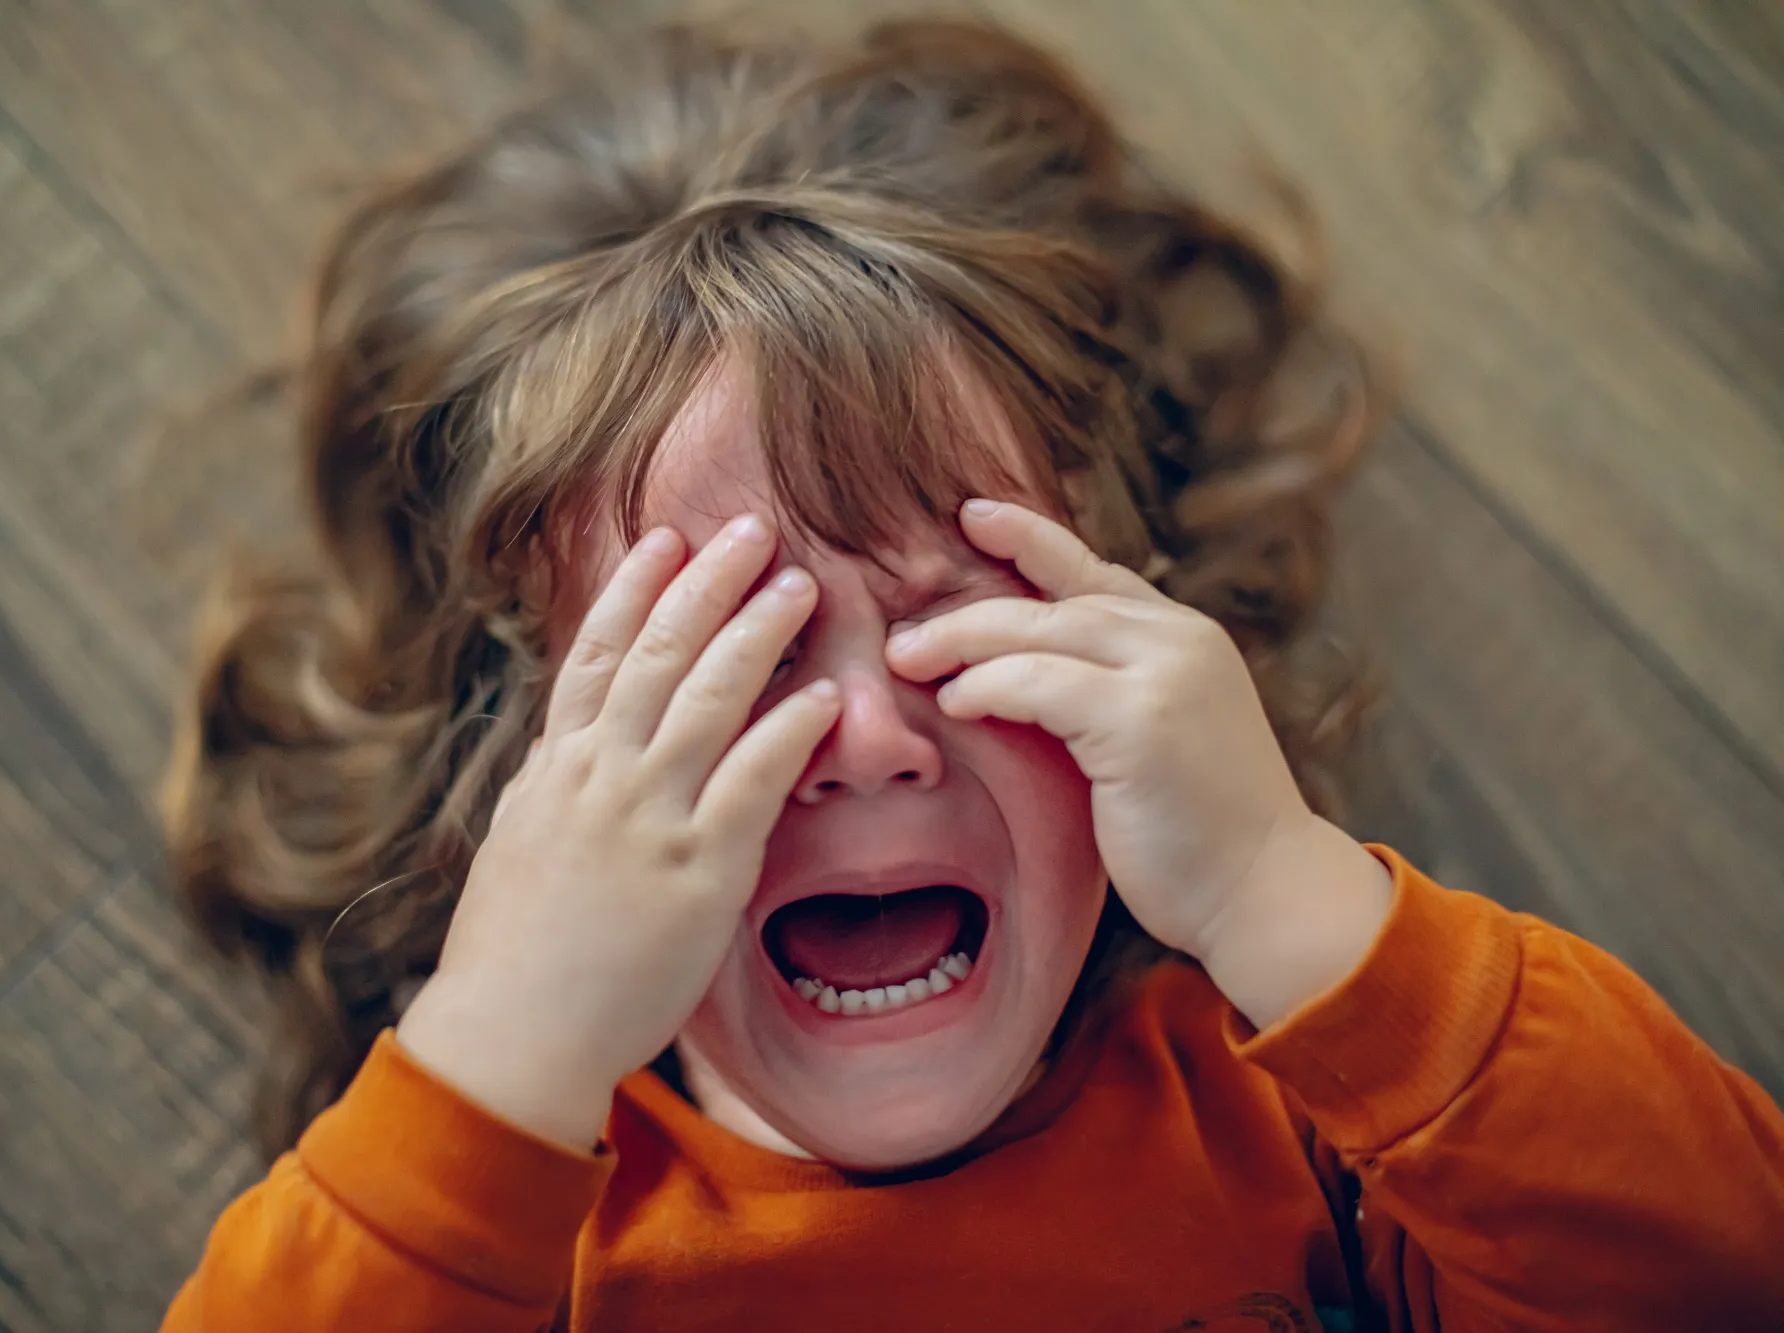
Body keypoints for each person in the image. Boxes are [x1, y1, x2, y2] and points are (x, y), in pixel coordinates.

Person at [158, 17, 1784, 1331]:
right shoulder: (531, 1251)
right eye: (727, 669)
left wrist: (1293, 896)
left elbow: (1723, 1276)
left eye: (958, 625)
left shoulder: (1316, 1121)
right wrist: (501, 1039)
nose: (867, 740)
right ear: (534, 783)